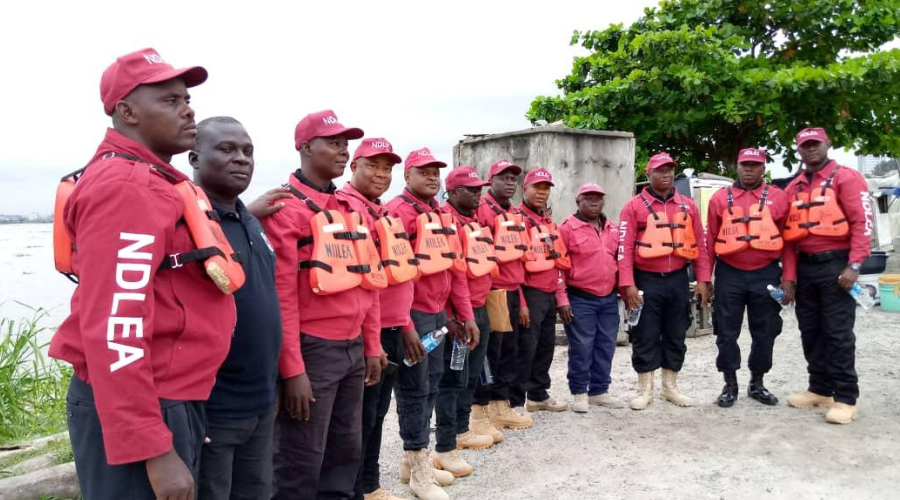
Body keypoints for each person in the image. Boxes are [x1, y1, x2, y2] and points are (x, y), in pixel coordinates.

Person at [49, 48, 234, 500]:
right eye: (170, 101)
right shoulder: (127, 187)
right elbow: (117, 325)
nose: (188, 109)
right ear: (126, 111)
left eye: (187, 98)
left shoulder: (151, 179)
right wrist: (153, 447)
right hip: (147, 406)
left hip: (166, 400)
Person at [261, 110, 382, 499]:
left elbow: (369, 283)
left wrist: (373, 344)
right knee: (299, 457)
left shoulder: (351, 209)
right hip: (313, 350)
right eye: (333, 143)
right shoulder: (285, 210)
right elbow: (281, 297)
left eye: (345, 144)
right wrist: (292, 370)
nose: (343, 151)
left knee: (346, 452)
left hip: (352, 352)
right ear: (305, 146)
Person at [188, 117, 282, 500]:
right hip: (215, 408)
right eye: (226, 150)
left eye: (247, 151)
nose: (241, 159)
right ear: (194, 157)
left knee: (258, 492)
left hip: (260, 402)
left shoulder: (250, 221)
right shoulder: (191, 225)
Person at [386, 148, 478, 500]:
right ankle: (418, 469)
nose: (431, 177)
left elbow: (456, 270)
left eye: (436, 172)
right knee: (414, 390)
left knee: (434, 384)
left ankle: (415, 460)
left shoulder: (442, 215)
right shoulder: (398, 213)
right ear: (407, 176)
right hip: (412, 316)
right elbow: (396, 276)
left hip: (438, 315)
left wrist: (465, 315)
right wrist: (404, 321)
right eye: (423, 171)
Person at [336, 137, 411, 500]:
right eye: (373, 165)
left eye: (387, 168)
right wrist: (373, 341)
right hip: (370, 333)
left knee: (378, 416)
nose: (382, 174)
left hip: (393, 325)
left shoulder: (380, 211)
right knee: (359, 421)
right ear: (354, 167)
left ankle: (370, 484)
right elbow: (364, 285)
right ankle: (356, 489)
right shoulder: (346, 210)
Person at [782, 127, 873, 424]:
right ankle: (819, 389)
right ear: (798, 150)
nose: (811, 150)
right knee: (810, 331)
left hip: (837, 266)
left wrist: (855, 265)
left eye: (815, 144)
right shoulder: (794, 187)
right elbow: (789, 240)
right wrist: (790, 278)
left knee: (837, 333)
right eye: (805, 146)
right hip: (806, 267)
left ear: (827, 144)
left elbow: (863, 223)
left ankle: (846, 398)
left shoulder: (847, 178)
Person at [617, 152, 711, 410]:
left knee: (676, 333)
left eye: (669, 170)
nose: (666, 174)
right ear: (648, 175)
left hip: (678, 279)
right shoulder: (633, 207)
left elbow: (700, 245)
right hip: (645, 281)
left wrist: (703, 279)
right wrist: (627, 284)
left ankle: (670, 388)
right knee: (645, 334)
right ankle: (644, 389)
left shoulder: (687, 206)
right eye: (659, 170)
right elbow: (623, 249)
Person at [706, 148, 791, 408]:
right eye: (745, 164)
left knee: (765, 332)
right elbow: (709, 241)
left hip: (766, 272)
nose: (749, 169)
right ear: (737, 166)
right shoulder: (719, 199)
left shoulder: (779, 198)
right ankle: (729, 384)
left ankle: (757, 383)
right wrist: (703, 279)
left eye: (755, 165)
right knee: (726, 332)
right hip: (729, 272)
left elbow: (789, 244)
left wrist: (788, 278)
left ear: (763, 167)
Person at [433, 166, 497, 478]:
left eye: (479, 188)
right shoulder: (444, 222)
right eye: (471, 190)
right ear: (453, 191)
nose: (478, 194)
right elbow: (445, 275)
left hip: (478, 308)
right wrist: (450, 317)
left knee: (470, 376)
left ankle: (461, 430)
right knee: (450, 379)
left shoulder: (474, 222)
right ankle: (446, 441)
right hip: (456, 315)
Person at [472, 160, 534, 430]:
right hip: (491, 292)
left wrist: (520, 301)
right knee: (489, 354)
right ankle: (480, 413)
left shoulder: (514, 213)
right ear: (491, 181)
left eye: (513, 179)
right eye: (504, 178)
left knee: (510, 352)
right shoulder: (482, 211)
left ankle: (501, 406)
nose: (510, 183)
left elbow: (517, 264)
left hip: (511, 292)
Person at [558, 182, 624, 413]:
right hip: (580, 298)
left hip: (608, 298)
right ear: (578, 202)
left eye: (598, 198)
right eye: (588, 198)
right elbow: (559, 267)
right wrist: (562, 299)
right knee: (582, 346)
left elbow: (621, 262)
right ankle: (579, 392)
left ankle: (599, 391)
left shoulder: (613, 229)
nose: (594, 202)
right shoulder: (567, 229)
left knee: (606, 344)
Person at [512, 168, 569, 414]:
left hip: (548, 294)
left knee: (545, 347)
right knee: (525, 348)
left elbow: (557, 264)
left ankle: (537, 394)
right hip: (528, 293)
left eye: (545, 188)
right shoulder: (515, 220)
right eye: (536, 187)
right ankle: (515, 401)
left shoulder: (549, 222)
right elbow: (514, 266)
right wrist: (522, 302)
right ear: (524, 189)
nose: (541, 192)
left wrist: (561, 297)